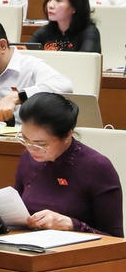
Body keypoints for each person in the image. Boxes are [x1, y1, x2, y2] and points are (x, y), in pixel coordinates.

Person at [12, 93, 122, 237]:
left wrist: (71, 225)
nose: (31, 148)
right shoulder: (28, 158)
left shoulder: (96, 166)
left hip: (78, 249)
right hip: (28, 243)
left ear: (67, 135)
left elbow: (115, 240)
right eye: (25, 139)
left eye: (41, 144)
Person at [30, 0, 100, 52]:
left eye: (58, 0)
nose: (50, 5)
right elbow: (27, 53)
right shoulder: (44, 32)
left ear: (75, 6)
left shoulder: (89, 32)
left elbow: (86, 58)